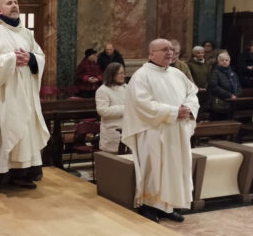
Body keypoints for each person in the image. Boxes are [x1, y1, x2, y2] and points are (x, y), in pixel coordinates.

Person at [0, 0, 50, 194]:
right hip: (2, 95)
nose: (14, 5)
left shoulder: (26, 33)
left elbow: (40, 56)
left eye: (16, 2)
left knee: (24, 131)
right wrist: (10, 60)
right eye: (9, 3)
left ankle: (21, 174)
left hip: (24, 93)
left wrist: (31, 58)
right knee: (0, 133)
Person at [122, 39, 199, 223]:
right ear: (151, 54)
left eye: (171, 50)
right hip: (153, 131)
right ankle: (148, 206)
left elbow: (192, 93)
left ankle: (167, 206)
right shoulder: (141, 76)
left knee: (174, 168)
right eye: (165, 50)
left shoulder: (177, 74)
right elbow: (142, 104)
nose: (170, 53)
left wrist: (188, 108)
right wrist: (173, 112)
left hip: (177, 131)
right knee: (154, 168)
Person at [95, 62, 126, 153]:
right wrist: (126, 108)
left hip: (126, 130)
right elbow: (103, 111)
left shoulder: (127, 88)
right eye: (119, 73)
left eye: (123, 73)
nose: (122, 76)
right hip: (112, 132)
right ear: (112, 74)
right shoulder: (103, 90)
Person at [208, 52, 242, 121]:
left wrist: (236, 95)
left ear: (229, 62)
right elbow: (214, 87)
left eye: (226, 60)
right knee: (218, 122)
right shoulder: (215, 72)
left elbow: (239, 86)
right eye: (222, 60)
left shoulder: (233, 73)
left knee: (229, 121)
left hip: (231, 102)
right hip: (219, 102)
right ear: (218, 61)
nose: (224, 62)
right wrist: (229, 95)